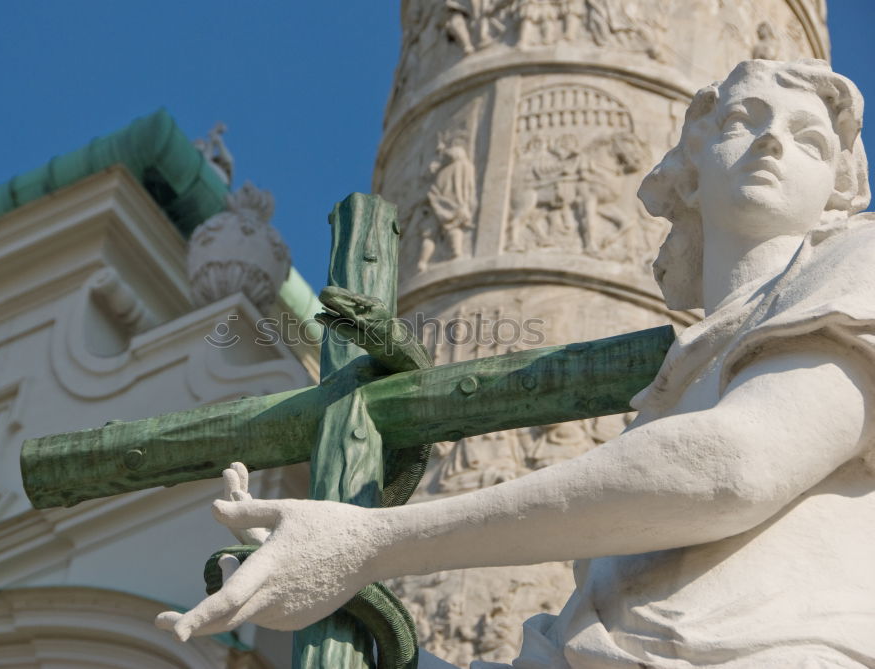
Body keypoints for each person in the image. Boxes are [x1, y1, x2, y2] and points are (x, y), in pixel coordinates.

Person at [157, 59, 875, 667]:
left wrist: (365, 543)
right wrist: (339, 605)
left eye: (810, 140)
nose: (774, 145)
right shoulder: (672, 390)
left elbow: (737, 465)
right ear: (689, 165)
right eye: (747, 120)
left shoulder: (858, 266)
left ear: (837, 191)